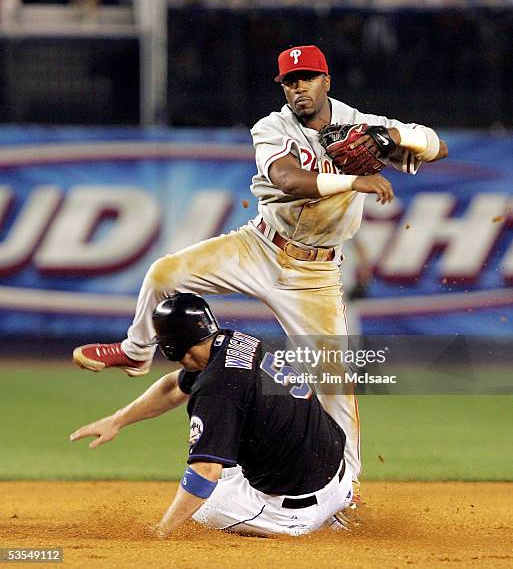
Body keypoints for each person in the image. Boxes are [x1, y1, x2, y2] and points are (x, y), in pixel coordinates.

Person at [72, 44, 448, 501]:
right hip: (260, 245)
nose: (298, 88)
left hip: (315, 274)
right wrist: (353, 180)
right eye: (290, 81)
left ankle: (346, 491)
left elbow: (438, 147)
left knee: (335, 383)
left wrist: (399, 137)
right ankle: (136, 352)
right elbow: (289, 180)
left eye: (307, 78)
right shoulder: (271, 127)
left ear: (326, 80)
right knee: (164, 273)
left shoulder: (361, 124)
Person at [70, 294, 354, 537]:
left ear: (170, 348)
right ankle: (334, 510)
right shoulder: (234, 342)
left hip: (292, 512)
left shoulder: (215, 390)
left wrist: (161, 531)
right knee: (226, 443)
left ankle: (308, 521)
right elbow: (173, 388)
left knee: (202, 506)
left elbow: (204, 474)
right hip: (338, 479)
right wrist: (117, 420)